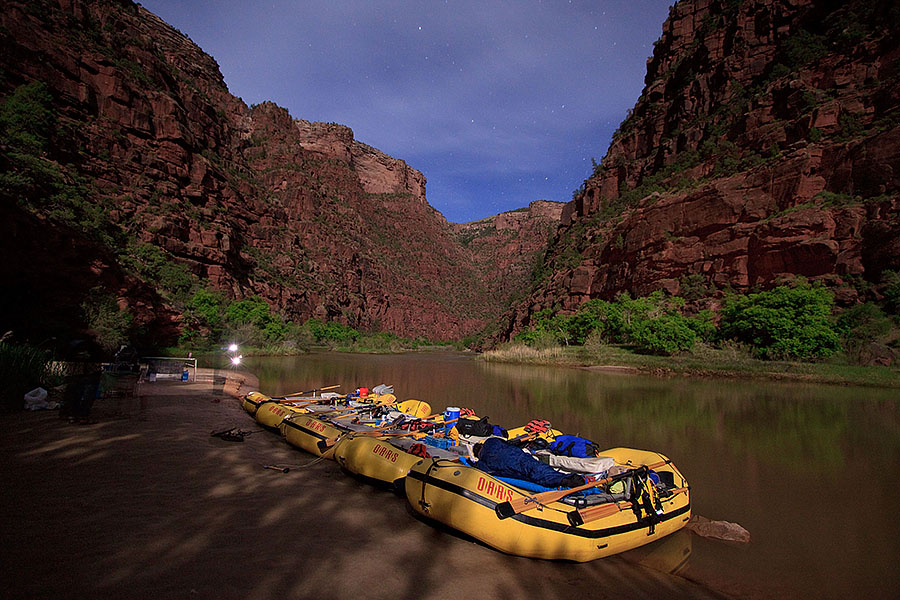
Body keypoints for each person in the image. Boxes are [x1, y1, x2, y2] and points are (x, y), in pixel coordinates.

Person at [472, 437, 585, 488]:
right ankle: (563, 478)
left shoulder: (483, 460)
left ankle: (562, 480)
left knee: (530, 474)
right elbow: (507, 444)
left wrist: (474, 464)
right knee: (535, 467)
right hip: (518, 456)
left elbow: (484, 470)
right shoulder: (491, 441)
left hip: (510, 465)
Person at [63, 339, 103, 424]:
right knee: (87, 395)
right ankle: (82, 416)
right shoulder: (92, 345)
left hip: (75, 373)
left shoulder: (72, 345)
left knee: (74, 394)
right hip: (90, 373)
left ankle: (72, 416)